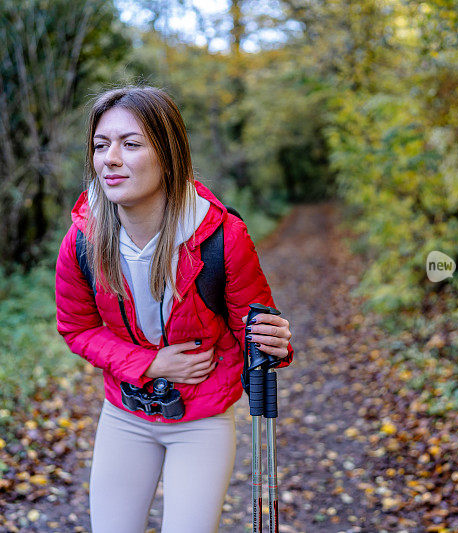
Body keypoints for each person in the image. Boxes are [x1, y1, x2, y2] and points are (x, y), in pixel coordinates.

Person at [55, 86, 293, 533]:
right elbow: (76, 328)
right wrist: (151, 363)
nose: (110, 158)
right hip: (125, 416)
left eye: (130, 144)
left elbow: (257, 330)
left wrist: (274, 345)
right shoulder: (84, 239)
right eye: (101, 145)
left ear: (167, 154)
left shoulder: (223, 236)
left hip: (201, 422)